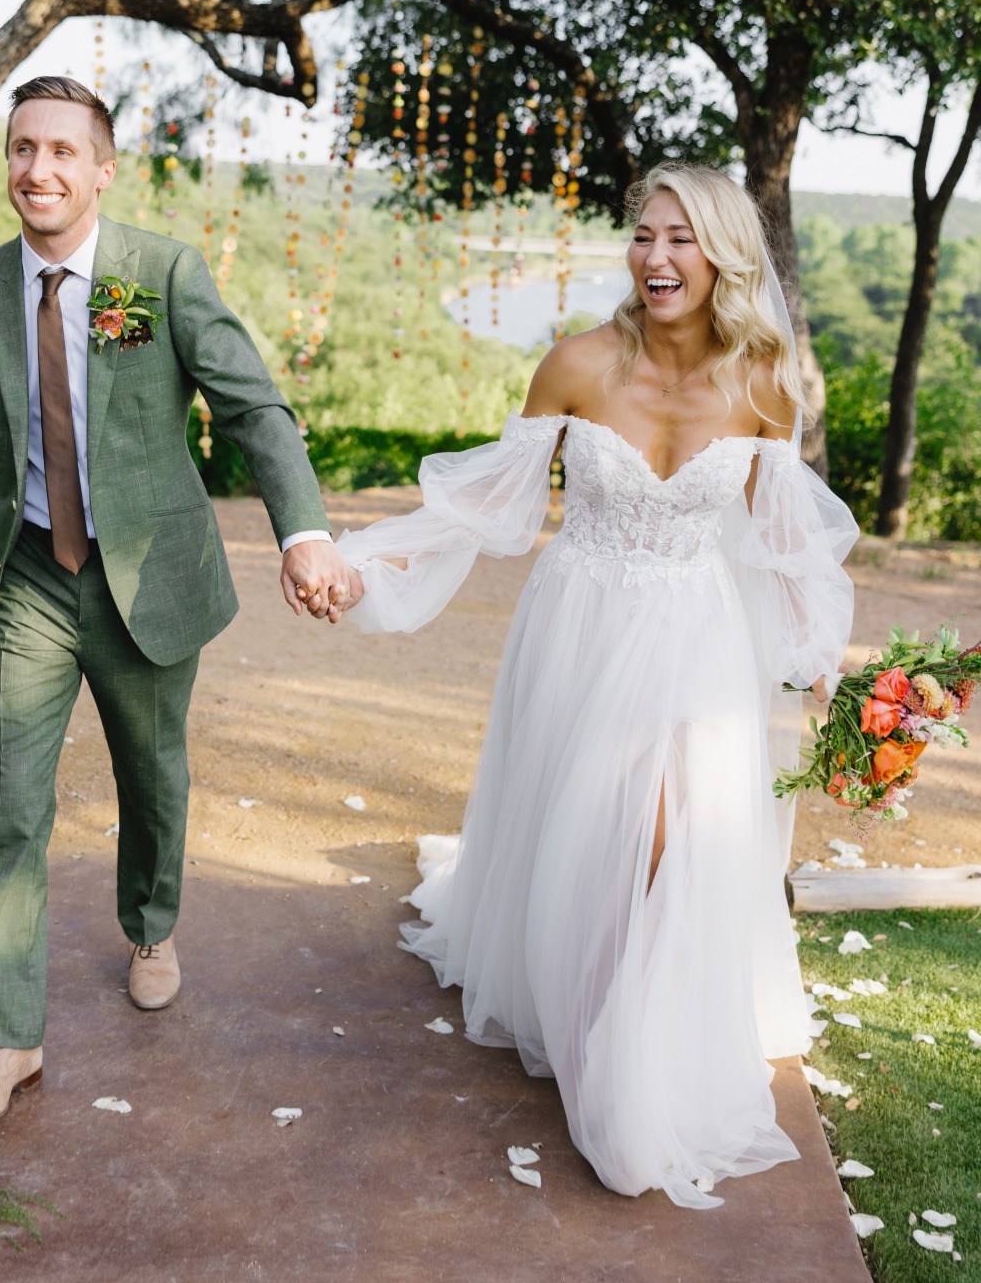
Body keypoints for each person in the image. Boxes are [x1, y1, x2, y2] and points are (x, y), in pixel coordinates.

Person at [336, 164, 858, 1209]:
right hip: (581, 625)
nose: (656, 257)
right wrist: (360, 564)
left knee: (670, 837)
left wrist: (822, 660)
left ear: (724, 258)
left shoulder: (766, 385)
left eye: (681, 240)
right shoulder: (576, 364)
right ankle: (591, 1024)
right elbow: (489, 504)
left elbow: (788, 541)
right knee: (591, 830)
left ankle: (628, 1064)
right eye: (642, 236)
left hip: (696, 638)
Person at [0, 75, 355, 1131]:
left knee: (151, 777)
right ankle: (10, 1039)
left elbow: (250, 405)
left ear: (102, 168)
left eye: (64, 152)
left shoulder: (152, 276)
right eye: (24, 149)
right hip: (27, 578)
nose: (40, 169)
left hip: (146, 578)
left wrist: (301, 529)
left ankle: (152, 925)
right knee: (12, 809)